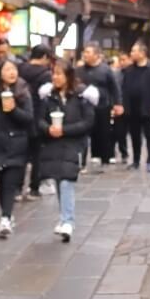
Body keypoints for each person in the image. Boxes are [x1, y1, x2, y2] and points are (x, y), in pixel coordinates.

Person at [38, 63, 95, 242]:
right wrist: (48, 129)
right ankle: (64, 218)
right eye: (53, 74)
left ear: (69, 76)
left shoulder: (81, 97)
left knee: (66, 180)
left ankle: (68, 221)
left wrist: (66, 130)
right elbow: (38, 120)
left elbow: (88, 122)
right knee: (58, 179)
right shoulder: (48, 98)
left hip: (73, 144)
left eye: (59, 74)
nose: (55, 77)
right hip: (53, 144)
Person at [0, 60, 35, 237]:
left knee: (10, 183)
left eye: (14, 69)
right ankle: (7, 215)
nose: (11, 72)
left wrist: (13, 110)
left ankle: (5, 217)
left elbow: (28, 118)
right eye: (7, 69)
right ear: (0, 73)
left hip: (17, 144)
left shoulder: (23, 91)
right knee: (2, 182)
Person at [19, 45, 55, 200]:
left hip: (20, 117)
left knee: (21, 155)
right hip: (38, 118)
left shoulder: (19, 69)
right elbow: (46, 99)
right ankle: (34, 188)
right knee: (38, 155)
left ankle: (17, 189)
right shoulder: (46, 74)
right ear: (45, 57)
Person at [121, 43, 150, 172]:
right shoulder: (128, 70)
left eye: (134, 51)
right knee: (134, 135)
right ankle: (136, 160)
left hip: (147, 107)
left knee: (149, 135)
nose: (131, 53)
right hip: (132, 107)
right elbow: (124, 88)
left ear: (142, 53)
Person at [80, 42, 121, 170]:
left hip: (103, 105)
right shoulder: (80, 70)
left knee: (103, 131)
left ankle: (105, 156)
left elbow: (114, 88)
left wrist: (117, 103)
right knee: (85, 132)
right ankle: (87, 158)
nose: (85, 55)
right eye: (84, 52)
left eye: (88, 52)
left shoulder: (105, 70)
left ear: (97, 55)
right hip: (84, 106)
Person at [110, 55, 130, 164]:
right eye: (120, 60)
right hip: (119, 106)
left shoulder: (132, 73)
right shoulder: (116, 74)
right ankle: (114, 152)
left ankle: (124, 152)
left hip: (129, 107)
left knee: (123, 132)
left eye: (124, 60)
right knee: (116, 131)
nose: (122, 62)